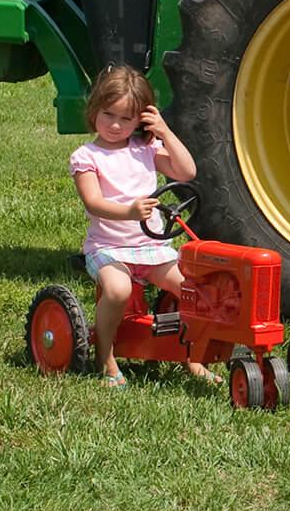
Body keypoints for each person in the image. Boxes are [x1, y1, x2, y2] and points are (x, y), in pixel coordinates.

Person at [69, 65, 204, 388]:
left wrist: (166, 132)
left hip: (152, 247)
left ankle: (193, 357)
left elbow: (186, 172)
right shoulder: (87, 156)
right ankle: (104, 356)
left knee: (192, 289)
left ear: (141, 119)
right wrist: (129, 211)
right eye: (108, 114)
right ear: (94, 110)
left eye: (126, 118)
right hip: (108, 248)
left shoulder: (145, 149)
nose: (115, 125)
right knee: (118, 290)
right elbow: (93, 203)